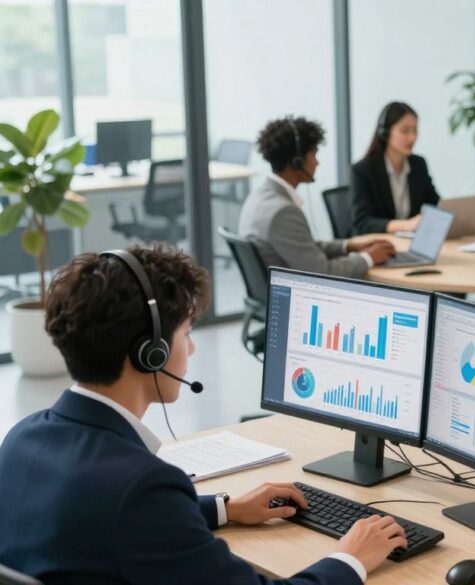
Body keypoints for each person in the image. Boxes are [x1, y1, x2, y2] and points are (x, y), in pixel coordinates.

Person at [0, 245, 406, 584]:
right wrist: (349, 558)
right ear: (151, 351)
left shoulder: (21, 439)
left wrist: (224, 507)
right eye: (186, 333)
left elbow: (104, 520)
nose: (191, 350)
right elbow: (135, 512)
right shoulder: (142, 488)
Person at [239, 116, 395, 278]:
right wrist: (368, 257)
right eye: (314, 153)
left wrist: (348, 246)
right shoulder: (283, 212)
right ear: (296, 161)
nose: (317, 162)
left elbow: (303, 247)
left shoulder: (260, 196)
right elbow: (323, 273)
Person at [351, 102, 442, 235]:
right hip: (379, 245)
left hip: (410, 243)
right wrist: (406, 225)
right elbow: (362, 222)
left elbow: (435, 204)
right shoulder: (362, 170)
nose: (412, 137)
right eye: (405, 131)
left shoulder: (418, 164)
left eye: (415, 130)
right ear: (385, 132)